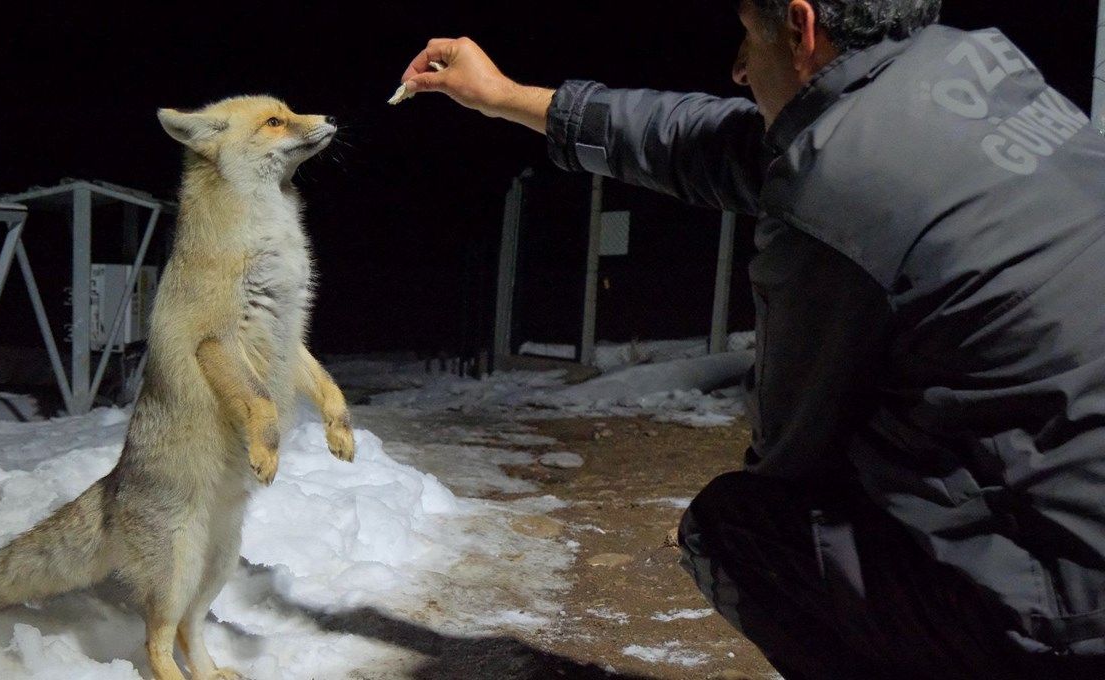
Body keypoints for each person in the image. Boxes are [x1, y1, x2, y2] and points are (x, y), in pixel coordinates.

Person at [397, 1, 1105, 678]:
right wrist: (507, 96)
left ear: (800, 27)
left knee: (742, 531)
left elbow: (794, 452)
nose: (738, 68)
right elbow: (723, 144)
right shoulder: (981, 66)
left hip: (1074, 610)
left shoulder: (836, 191)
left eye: (747, 36)